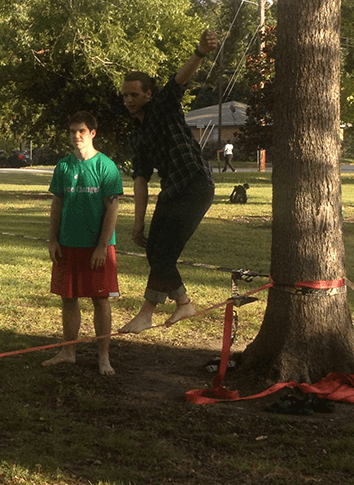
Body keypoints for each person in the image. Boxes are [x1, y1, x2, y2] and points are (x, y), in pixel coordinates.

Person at [118, 30, 220, 334]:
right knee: (154, 253)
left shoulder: (163, 106)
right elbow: (140, 179)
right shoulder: (137, 136)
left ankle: (147, 312)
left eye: (134, 94)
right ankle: (184, 302)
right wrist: (138, 224)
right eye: (125, 95)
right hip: (172, 191)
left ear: (148, 94)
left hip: (195, 185)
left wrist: (200, 52)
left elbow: (180, 80)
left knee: (164, 254)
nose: (129, 100)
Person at [41, 111, 123, 376]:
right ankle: (68, 351)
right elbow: (57, 204)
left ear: (92, 133)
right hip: (67, 244)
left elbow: (112, 209)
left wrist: (102, 246)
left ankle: (104, 356)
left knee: (100, 300)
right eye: (72, 131)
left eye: (82, 131)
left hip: (97, 246)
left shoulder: (106, 166)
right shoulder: (63, 166)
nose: (76, 136)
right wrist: (53, 240)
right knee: (68, 298)